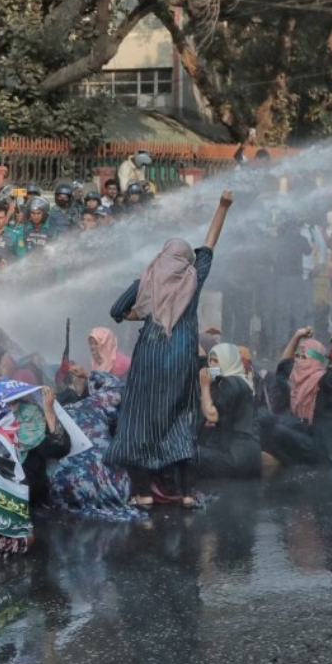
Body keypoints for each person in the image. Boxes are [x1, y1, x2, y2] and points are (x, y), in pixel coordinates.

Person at [105, 190, 233, 508]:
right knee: (179, 420)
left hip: (150, 352)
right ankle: (187, 494)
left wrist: (144, 310)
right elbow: (210, 244)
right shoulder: (193, 276)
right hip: (181, 355)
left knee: (139, 420)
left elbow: (117, 310)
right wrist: (222, 206)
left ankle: (143, 494)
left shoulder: (148, 280)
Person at [263, 327, 332, 469]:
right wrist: (297, 336)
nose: (298, 360)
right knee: (272, 429)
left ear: (315, 360)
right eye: (297, 356)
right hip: (305, 432)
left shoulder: (323, 380)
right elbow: (284, 363)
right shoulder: (297, 376)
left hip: (324, 440)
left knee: (278, 431)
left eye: (303, 357)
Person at [196, 343, 262, 479]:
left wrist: (204, 385)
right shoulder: (238, 382)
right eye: (210, 361)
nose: (211, 365)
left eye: (216, 361)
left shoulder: (232, 382)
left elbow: (212, 415)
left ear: (228, 361)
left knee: (186, 453)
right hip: (248, 456)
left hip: (237, 456)